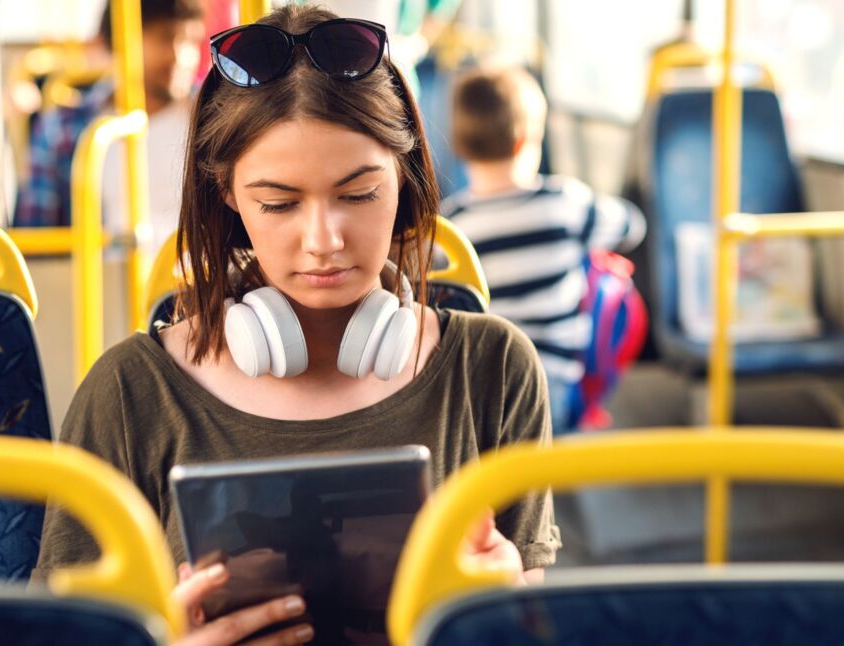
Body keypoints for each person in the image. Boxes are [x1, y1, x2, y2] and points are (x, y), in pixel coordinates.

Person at [36, 6, 560, 644]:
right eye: (279, 203)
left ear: (404, 181)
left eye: (359, 194)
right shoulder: (128, 394)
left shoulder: (495, 369)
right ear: (227, 194)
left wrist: (503, 618)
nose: (323, 241)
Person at [442, 65, 645, 434]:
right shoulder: (565, 202)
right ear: (525, 142)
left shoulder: (451, 224)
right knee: (606, 280)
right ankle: (586, 411)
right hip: (553, 393)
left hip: (476, 394)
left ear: (460, 146)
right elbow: (631, 226)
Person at [13, 0, 205, 249]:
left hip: (203, 281)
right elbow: (37, 239)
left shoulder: (210, 119)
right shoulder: (65, 129)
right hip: (106, 284)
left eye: (192, 41)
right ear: (120, 43)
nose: (181, 56)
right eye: (164, 38)